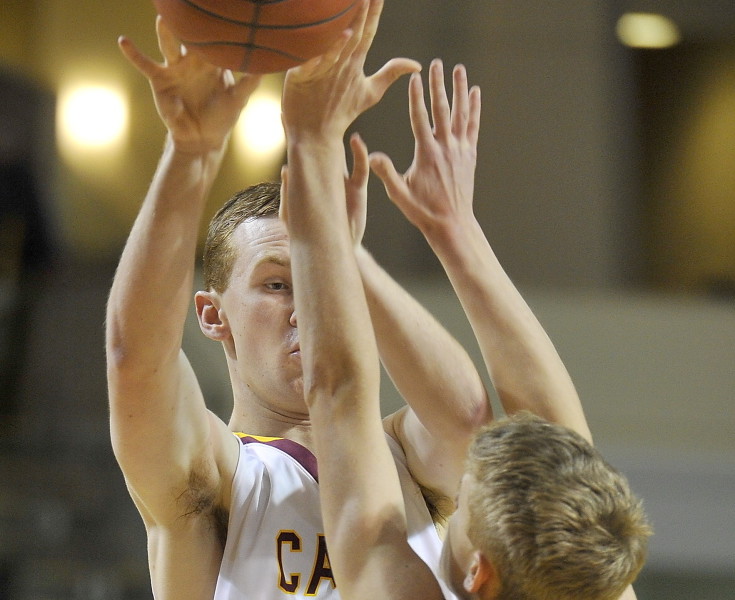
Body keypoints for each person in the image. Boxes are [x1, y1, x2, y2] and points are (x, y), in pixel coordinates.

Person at [106, 2, 492, 598]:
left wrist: (340, 256)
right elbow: (135, 361)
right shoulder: (218, 473)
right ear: (213, 316)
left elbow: (467, 419)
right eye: (277, 282)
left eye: (312, 285)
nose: (305, 306)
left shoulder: (403, 461)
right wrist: (192, 151)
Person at [280, 25, 651, 600]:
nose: (449, 496)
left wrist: (310, 141)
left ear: (481, 575)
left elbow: (339, 392)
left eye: (461, 498)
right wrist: (454, 230)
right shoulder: (588, 584)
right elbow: (563, 448)